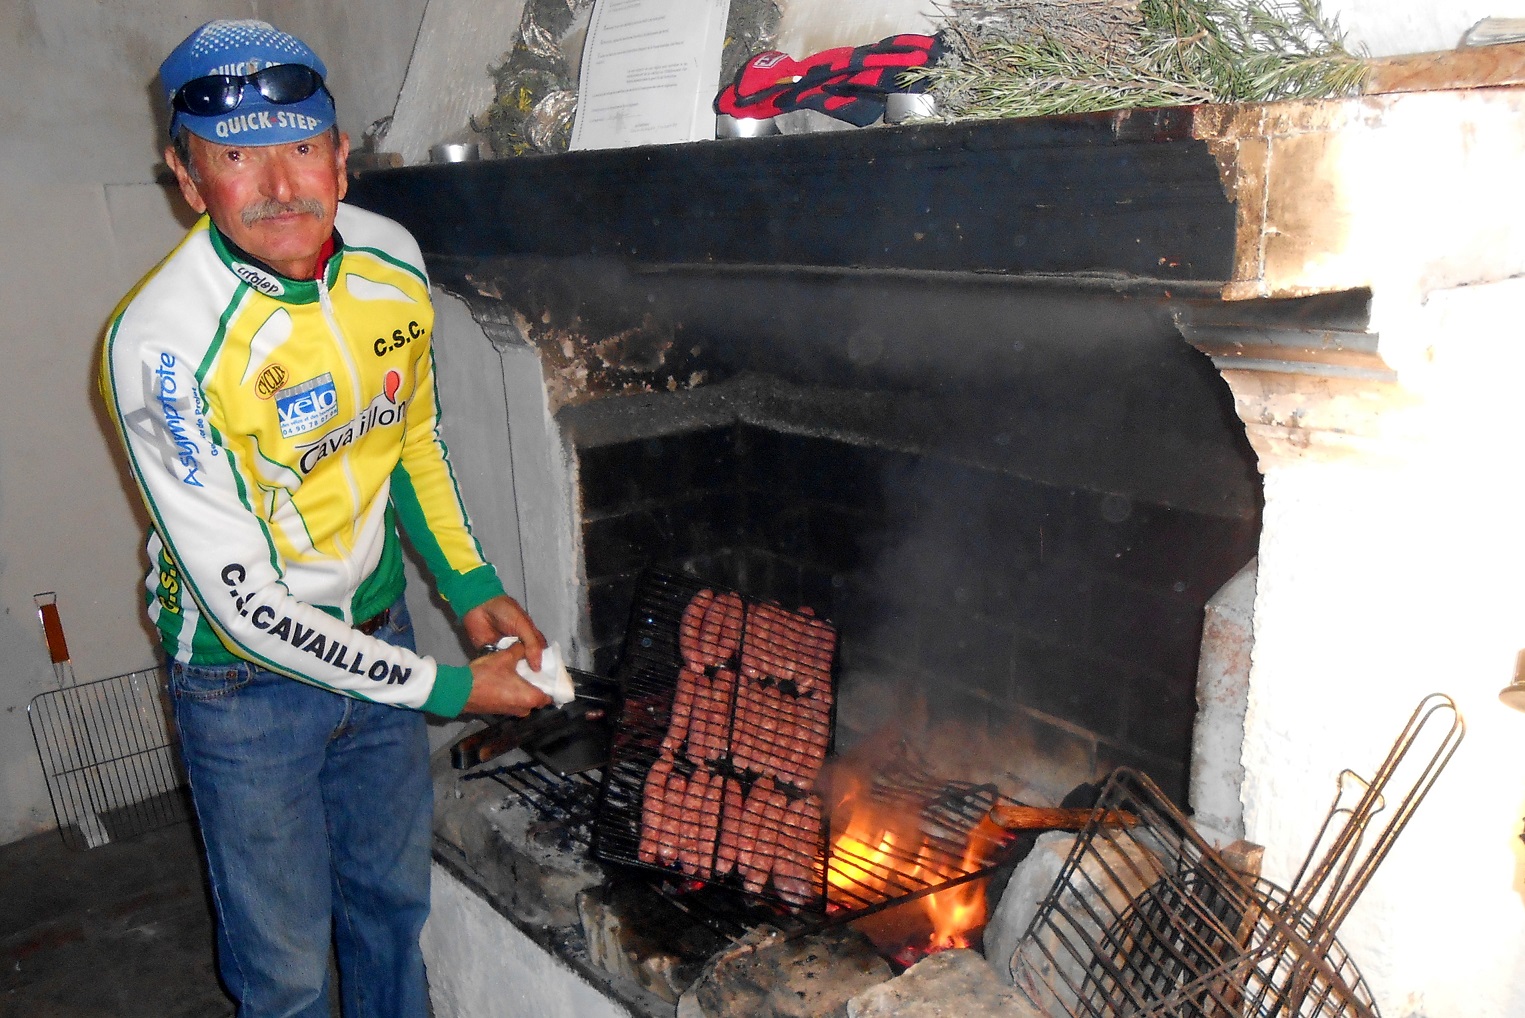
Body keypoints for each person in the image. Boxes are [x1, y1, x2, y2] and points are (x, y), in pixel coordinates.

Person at [99, 20, 551, 1018]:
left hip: (377, 628)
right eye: (234, 159)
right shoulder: (161, 343)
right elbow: (247, 608)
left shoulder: (392, 257)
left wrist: (471, 587)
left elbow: (411, 436)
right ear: (187, 178)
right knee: (288, 972)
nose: (279, 186)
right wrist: (443, 685)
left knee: (390, 912)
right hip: (242, 683)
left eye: (301, 146)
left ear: (341, 156)